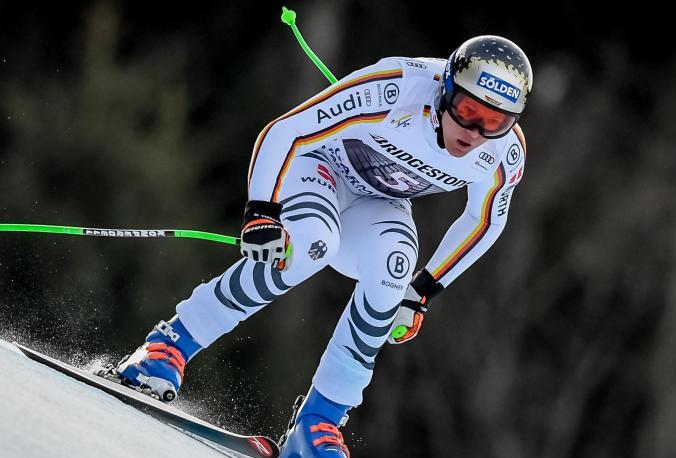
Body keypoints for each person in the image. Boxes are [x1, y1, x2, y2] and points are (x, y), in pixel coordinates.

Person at [115, 35, 532, 457]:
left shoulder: (505, 153)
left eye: (495, 122)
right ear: (445, 90)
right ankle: (169, 345)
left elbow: (484, 220)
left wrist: (421, 291)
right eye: (467, 111)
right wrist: (262, 212)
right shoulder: (398, 86)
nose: (476, 133)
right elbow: (287, 130)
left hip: (378, 200)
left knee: (396, 265)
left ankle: (318, 424)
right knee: (313, 241)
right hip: (318, 166)